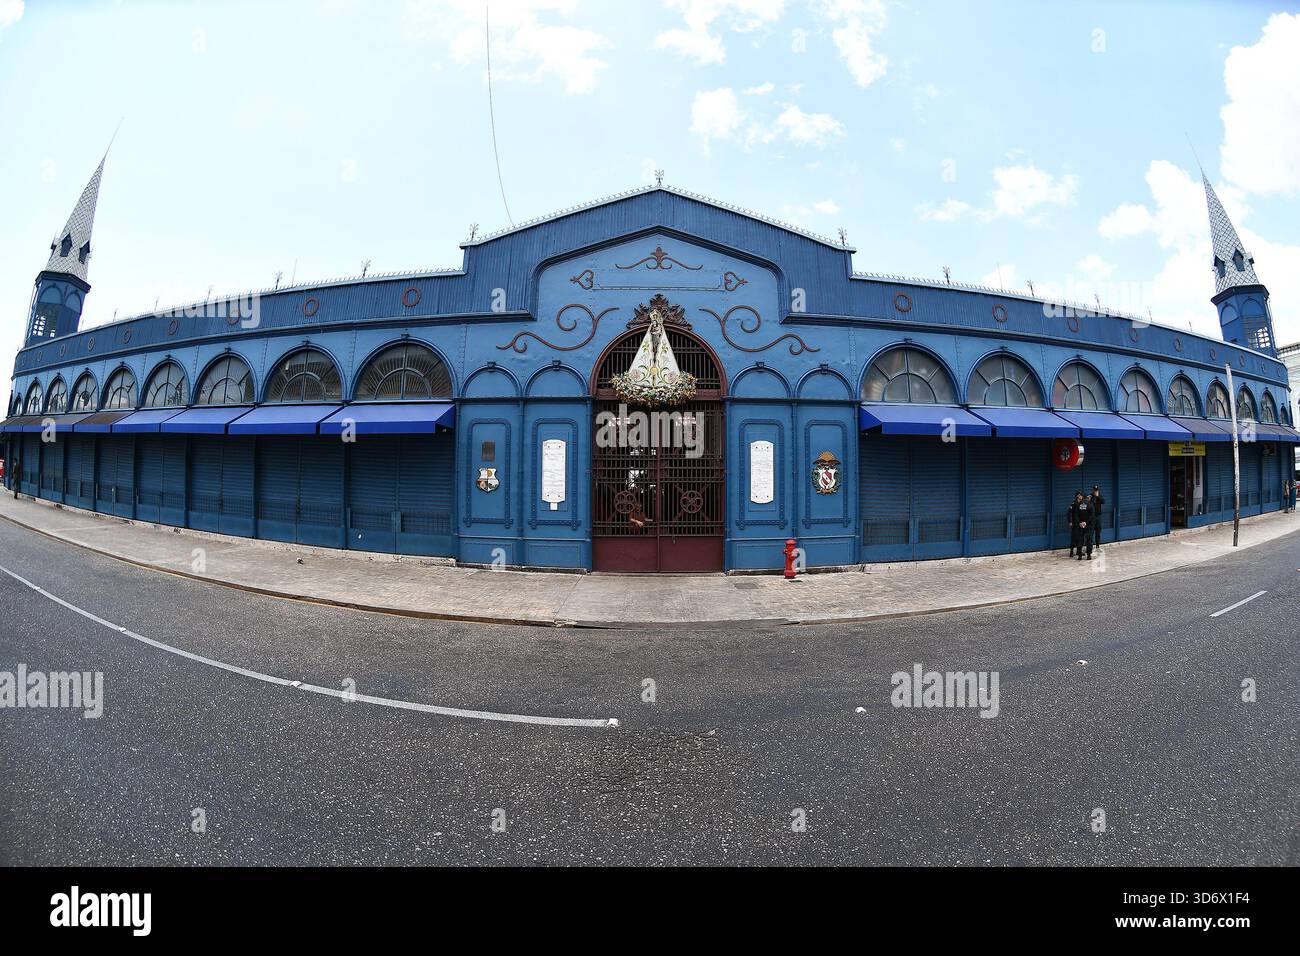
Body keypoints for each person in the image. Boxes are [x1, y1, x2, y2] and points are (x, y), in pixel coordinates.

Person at [1067, 491, 1085, 559]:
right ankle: (1071, 552)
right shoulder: (1073, 504)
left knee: (1080, 538)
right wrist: (1070, 521)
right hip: (1075, 523)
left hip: (1081, 523)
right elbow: (1069, 513)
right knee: (1074, 538)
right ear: (1077, 496)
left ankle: (1078, 551)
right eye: (1080, 495)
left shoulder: (1082, 503)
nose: (1081, 496)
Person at [1090, 484, 1105, 551]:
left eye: (1096, 490)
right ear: (1092, 490)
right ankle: (1090, 546)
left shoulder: (1100, 496)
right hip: (1092, 517)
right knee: (1091, 532)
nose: (1095, 491)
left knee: (1098, 531)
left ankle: (1097, 545)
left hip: (1098, 516)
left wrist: (1097, 496)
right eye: (1094, 490)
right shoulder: (1090, 496)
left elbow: (1103, 501)